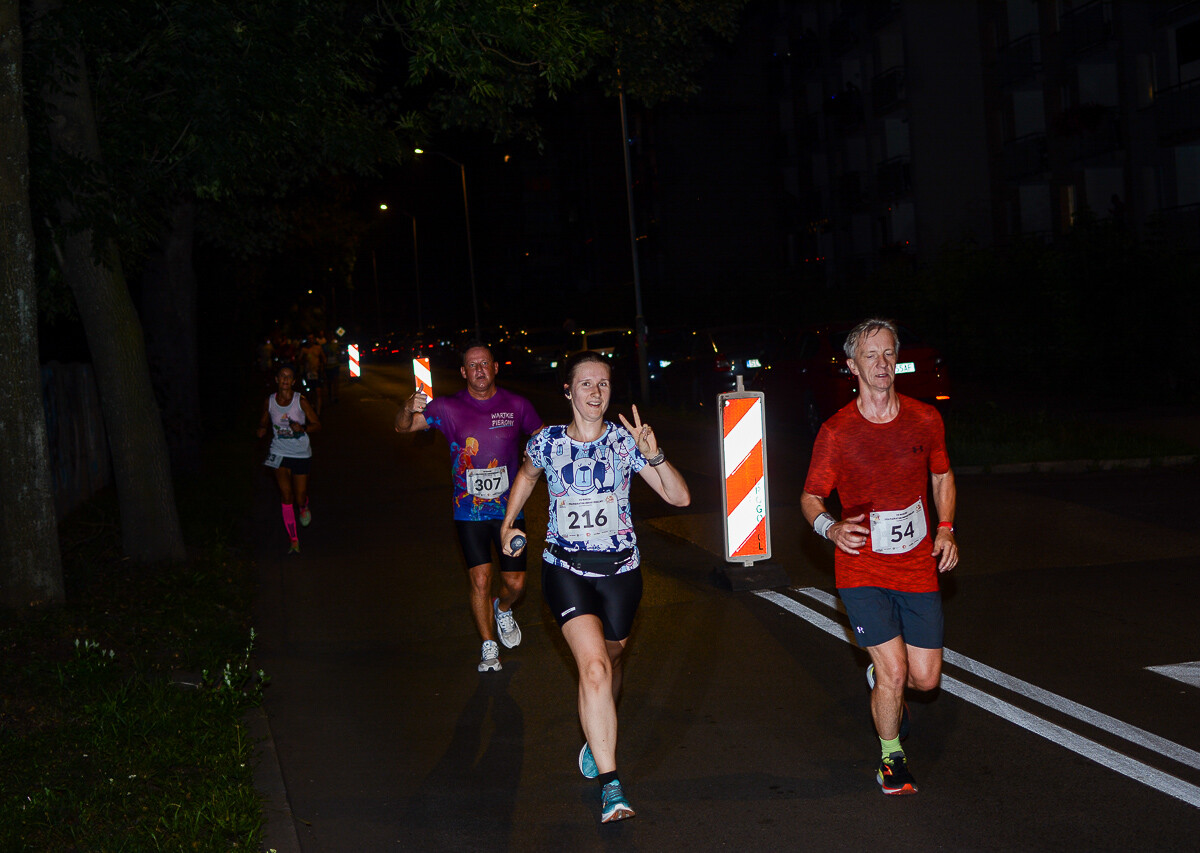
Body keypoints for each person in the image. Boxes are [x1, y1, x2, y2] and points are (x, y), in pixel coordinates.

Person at [500, 351, 690, 823]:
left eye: (603, 384)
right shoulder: (545, 442)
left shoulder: (625, 445)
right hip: (564, 570)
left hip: (622, 572)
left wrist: (655, 455)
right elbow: (525, 477)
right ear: (568, 390)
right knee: (594, 670)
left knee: (613, 658)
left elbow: (679, 496)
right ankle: (612, 786)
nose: (595, 393)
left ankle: (595, 731)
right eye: (585, 384)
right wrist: (508, 524)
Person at [800, 318, 958, 796]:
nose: (882, 363)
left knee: (925, 681)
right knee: (894, 672)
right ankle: (892, 758)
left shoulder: (925, 418)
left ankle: (883, 675)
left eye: (889, 353)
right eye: (871, 356)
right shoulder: (837, 432)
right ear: (853, 366)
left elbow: (941, 477)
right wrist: (830, 527)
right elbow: (810, 498)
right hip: (861, 565)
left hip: (915, 564)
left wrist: (947, 528)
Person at [395, 342, 543, 673]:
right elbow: (403, 427)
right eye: (472, 365)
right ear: (463, 372)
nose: (479, 369)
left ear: (495, 368)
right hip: (468, 513)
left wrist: (536, 453)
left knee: (516, 584)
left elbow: (542, 436)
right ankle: (488, 646)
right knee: (479, 579)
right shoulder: (447, 407)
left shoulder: (516, 404)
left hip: (509, 512)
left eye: (484, 364)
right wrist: (407, 407)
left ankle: (502, 608)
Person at [257, 364, 321, 554]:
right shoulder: (269, 401)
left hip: (301, 453)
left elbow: (317, 424)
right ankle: (294, 540)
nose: (285, 380)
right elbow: (263, 420)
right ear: (277, 380)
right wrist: (261, 428)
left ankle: (303, 505)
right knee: (286, 496)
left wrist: (304, 429)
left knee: (299, 496)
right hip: (279, 452)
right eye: (282, 376)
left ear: (293, 381)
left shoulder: (300, 401)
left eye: (289, 377)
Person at [299, 336, 326, 416]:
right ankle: (311, 407)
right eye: (309, 339)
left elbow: (323, 358)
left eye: (312, 338)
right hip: (308, 373)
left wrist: (322, 367)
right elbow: (299, 360)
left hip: (316, 372)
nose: (310, 340)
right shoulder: (304, 350)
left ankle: (318, 412)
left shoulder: (318, 348)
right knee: (309, 392)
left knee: (318, 391)